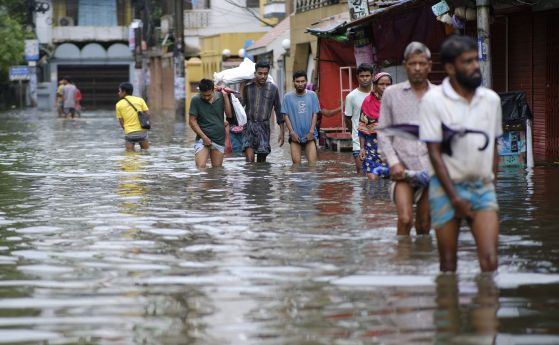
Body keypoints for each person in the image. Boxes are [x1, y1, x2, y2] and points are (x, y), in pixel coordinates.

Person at [419, 35, 502, 272]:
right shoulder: (432, 101)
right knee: (448, 264)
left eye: (476, 60)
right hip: (445, 190)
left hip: (483, 187)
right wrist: (455, 198)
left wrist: (492, 184)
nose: (476, 66)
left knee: (490, 263)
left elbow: (494, 146)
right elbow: (434, 153)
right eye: (467, 61)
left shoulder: (491, 100)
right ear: (450, 68)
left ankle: (486, 305)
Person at [378, 41, 434, 236]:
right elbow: (383, 131)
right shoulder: (391, 94)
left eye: (421, 63)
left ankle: (421, 262)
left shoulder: (440, 96)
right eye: (412, 63)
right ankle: (402, 263)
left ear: (429, 65)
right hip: (402, 170)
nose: (417, 68)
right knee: (405, 219)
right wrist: (393, 163)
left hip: (431, 170)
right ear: (405, 65)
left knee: (425, 224)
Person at [241, 61, 284, 162]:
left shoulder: (273, 89)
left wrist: (282, 132)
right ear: (255, 73)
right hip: (249, 126)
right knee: (249, 162)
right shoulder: (248, 88)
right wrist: (242, 86)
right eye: (260, 73)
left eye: (265, 74)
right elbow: (240, 105)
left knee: (261, 163)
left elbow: (278, 110)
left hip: (264, 127)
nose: (263, 76)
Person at [189, 78, 232, 168]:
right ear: (200, 91)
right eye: (203, 95)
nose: (206, 98)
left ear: (213, 90)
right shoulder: (195, 100)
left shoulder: (221, 96)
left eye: (209, 95)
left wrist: (225, 97)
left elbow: (229, 115)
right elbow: (192, 121)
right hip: (202, 139)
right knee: (200, 167)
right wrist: (204, 138)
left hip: (219, 139)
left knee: (217, 171)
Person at [281, 70, 321, 165]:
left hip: (310, 135)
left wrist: (311, 132)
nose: (300, 84)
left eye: (302, 81)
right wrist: (291, 132)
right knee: (296, 164)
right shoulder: (287, 97)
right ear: (293, 82)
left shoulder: (312, 95)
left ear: (306, 81)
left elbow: (315, 114)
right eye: (297, 81)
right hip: (295, 136)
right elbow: (285, 116)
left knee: (312, 165)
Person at [358, 72, 392, 180]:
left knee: (390, 181)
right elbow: (362, 127)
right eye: (381, 84)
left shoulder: (395, 101)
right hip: (372, 146)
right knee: (373, 179)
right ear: (375, 85)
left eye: (388, 84)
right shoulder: (367, 102)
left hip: (391, 147)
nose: (385, 87)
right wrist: (362, 148)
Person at [345, 63, 373, 174]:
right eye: (362, 76)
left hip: (376, 139)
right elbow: (347, 118)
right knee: (361, 173)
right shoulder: (351, 97)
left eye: (367, 75)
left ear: (372, 76)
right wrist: (355, 133)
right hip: (358, 141)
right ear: (357, 77)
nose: (365, 78)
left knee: (376, 175)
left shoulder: (377, 94)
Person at [115, 82, 150, 152]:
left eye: (119, 91)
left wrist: (127, 130)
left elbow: (121, 121)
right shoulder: (140, 100)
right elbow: (148, 114)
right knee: (146, 152)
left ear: (124, 92)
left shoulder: (118, 104)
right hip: (142, 132)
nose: (118, 93)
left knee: (129, 156)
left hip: (129, 133)